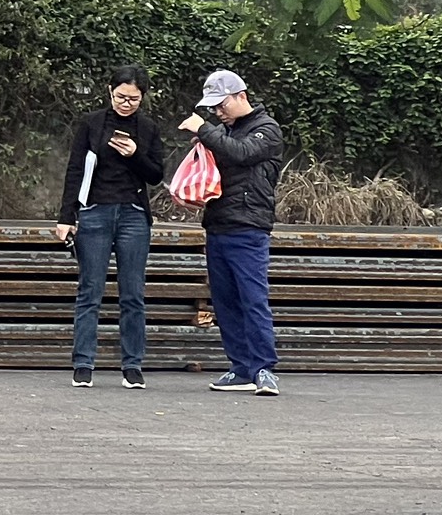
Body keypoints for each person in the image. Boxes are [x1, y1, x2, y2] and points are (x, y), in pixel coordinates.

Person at [53, 65, 167, 388]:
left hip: (133, 213)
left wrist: (135, 154)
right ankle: (83, 363)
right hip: (95, 211)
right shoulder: (91, 123)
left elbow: (156, 175)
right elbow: (75, 169)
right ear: (109, 91)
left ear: (142, 97)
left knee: (133, 293)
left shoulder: (148, 128)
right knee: (90, 290)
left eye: (133, 99)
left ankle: (132, 365)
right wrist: (66, 215)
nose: (125, 104)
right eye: (120, 97)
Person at [178, 68, 287, 395]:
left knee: (252, 299)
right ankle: (240, 368)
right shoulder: (223, 133)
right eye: (213, 108)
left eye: (221, 104)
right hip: (218, 225)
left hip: (249, 228)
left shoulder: (267, 129)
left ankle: (263, 369)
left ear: (241, 96)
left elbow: (242, 153)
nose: (217, 112)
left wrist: (204, 129)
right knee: (225, 303)